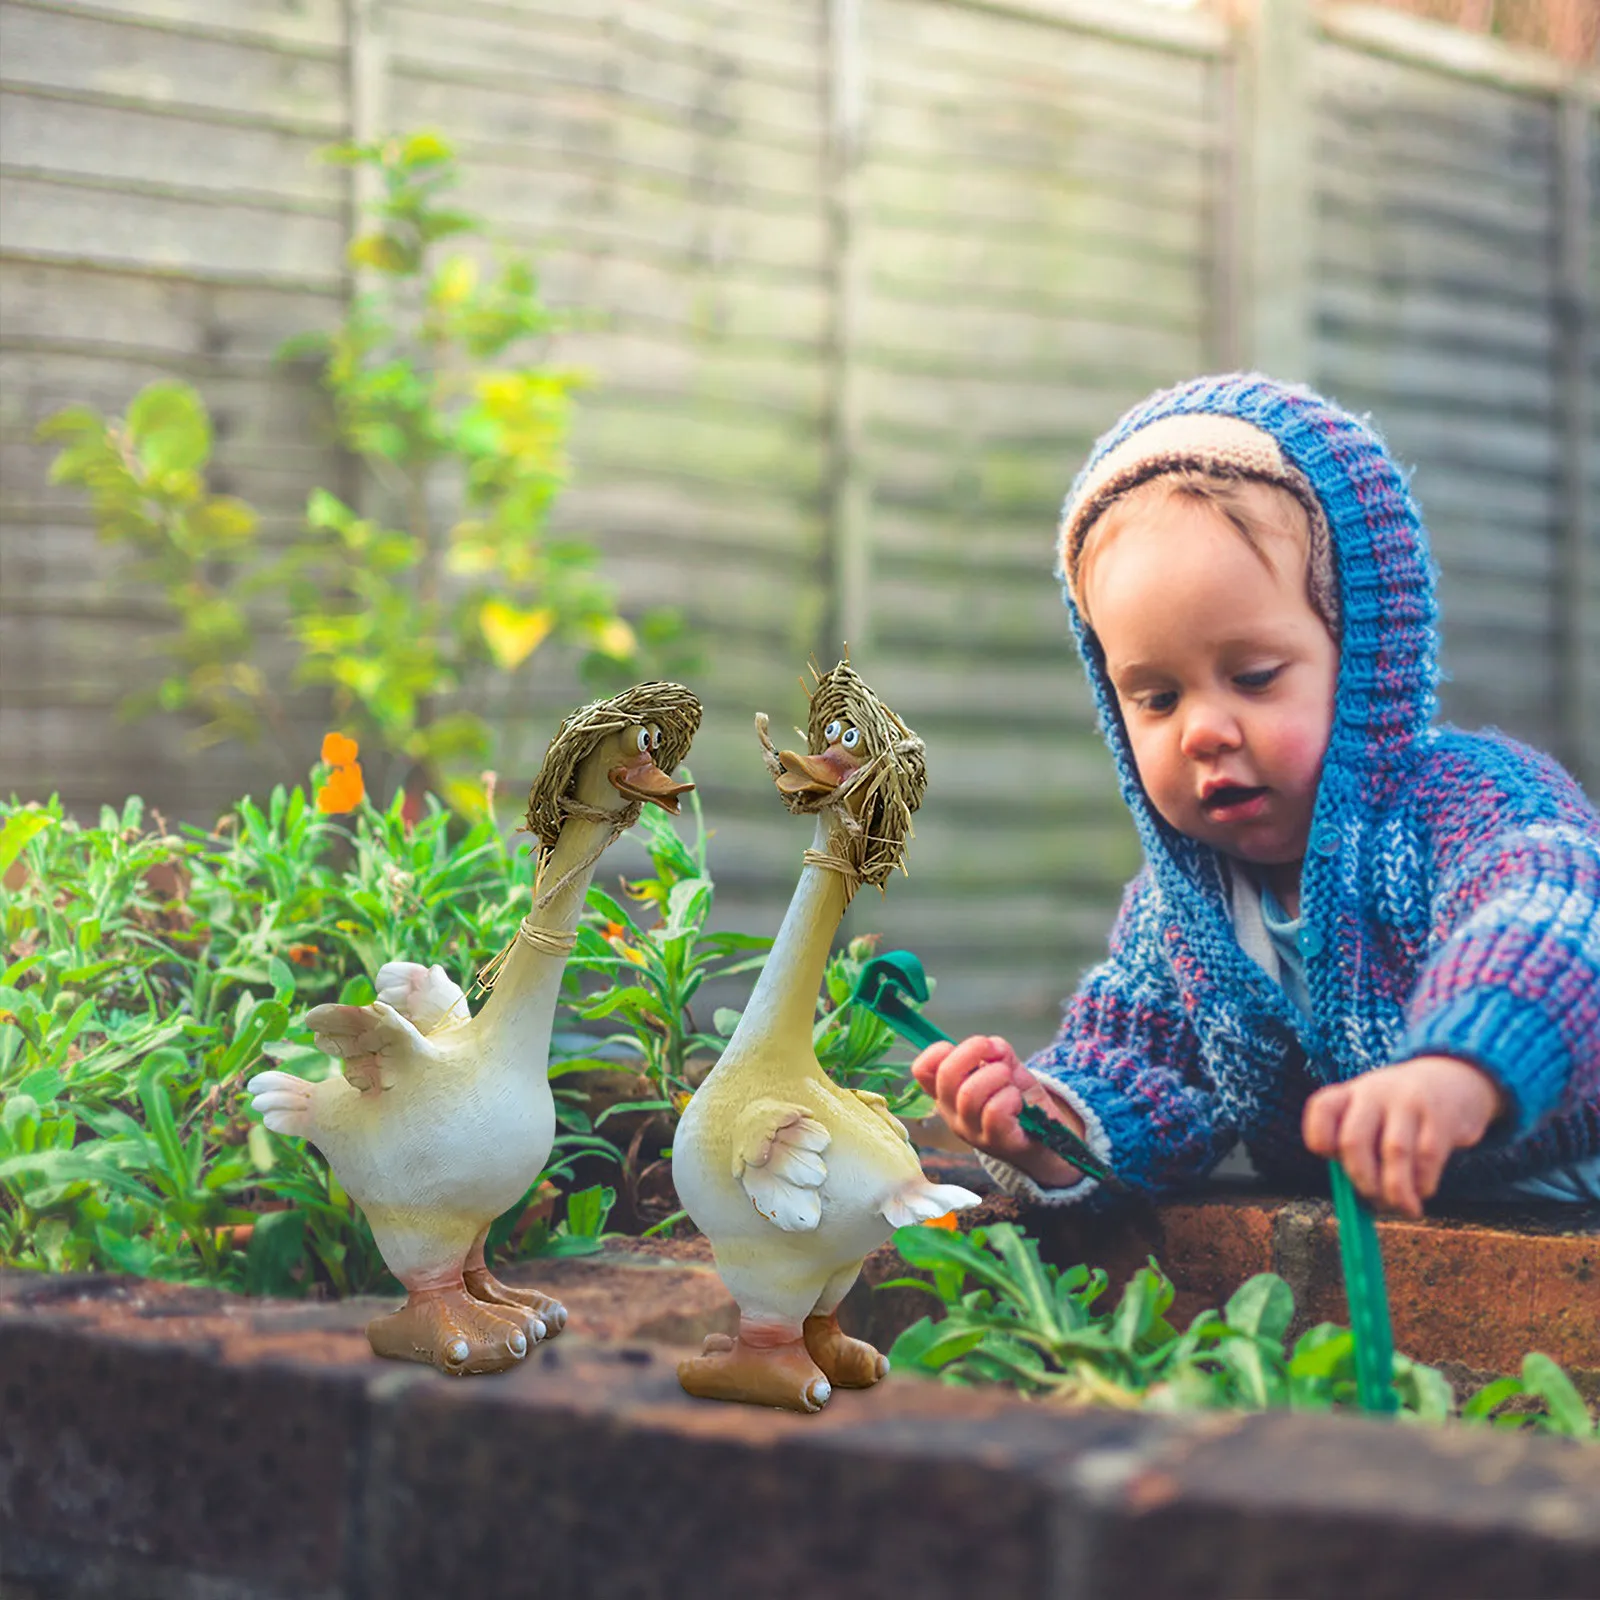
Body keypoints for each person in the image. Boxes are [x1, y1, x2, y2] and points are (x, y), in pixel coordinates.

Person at [913, 373, 1600, 1217]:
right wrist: (1051, 1127)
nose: (1202, 731)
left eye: (1255, 677)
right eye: (1157, 697)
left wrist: (1457, 1071)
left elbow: (1554, 920)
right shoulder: (1182, 914)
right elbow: (1143, 1074)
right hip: (1389, 1253)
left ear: (1365, 659)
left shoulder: (1466, 805)